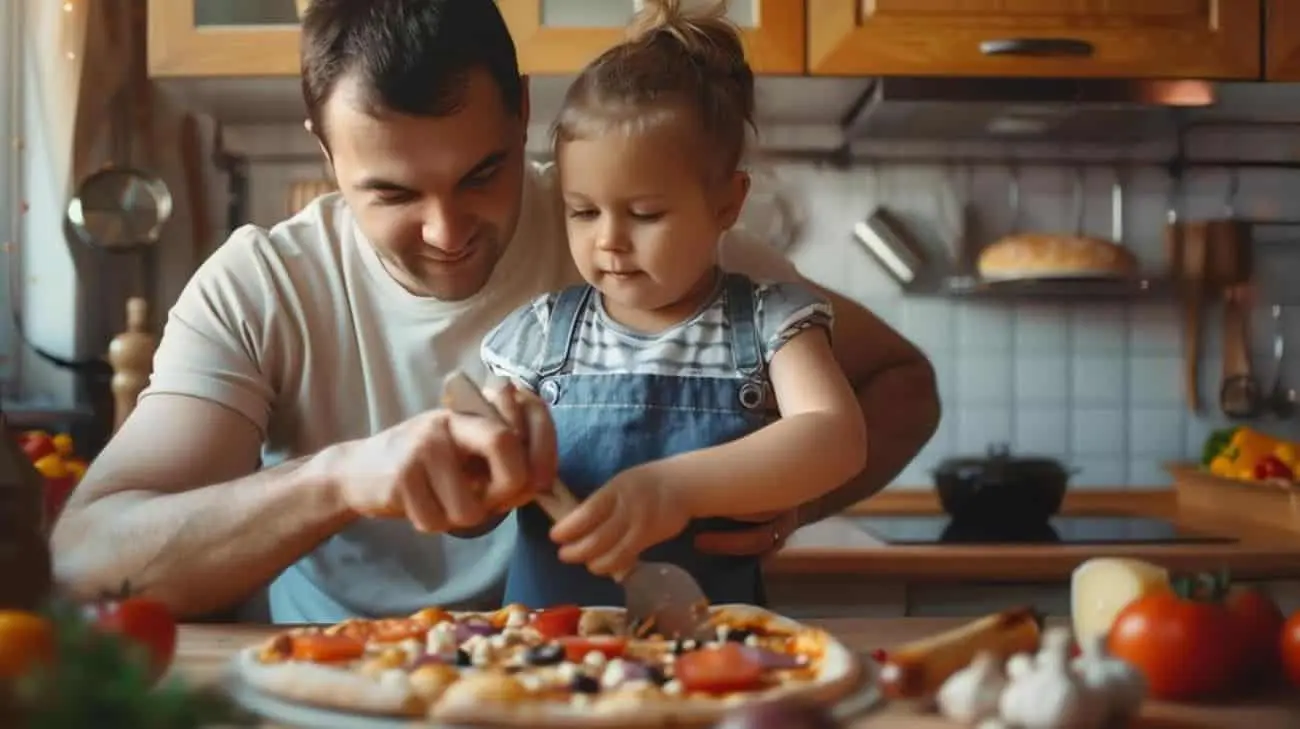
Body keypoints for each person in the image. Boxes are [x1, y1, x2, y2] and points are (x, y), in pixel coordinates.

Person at [49, 0, 940, 624]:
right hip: (348, 689)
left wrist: (779, 495)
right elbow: (88, 554)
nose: (446, 231)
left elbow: (899, 384)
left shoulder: (647, 239)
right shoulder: (261, 286)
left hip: (588, 683)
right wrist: (338, 479)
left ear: (521, 112)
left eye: (482, 174)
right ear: (324, 146)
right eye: (392, 192)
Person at [480, 1, 867, 609]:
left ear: (727, 204)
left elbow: (836, 437)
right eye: (582, 211)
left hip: (710, 661)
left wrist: (676, 489)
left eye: (644, 214)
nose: (608, 238)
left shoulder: (773, 326)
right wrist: (487, 457)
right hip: (547, 664)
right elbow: (475, 486)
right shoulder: (539, 334)